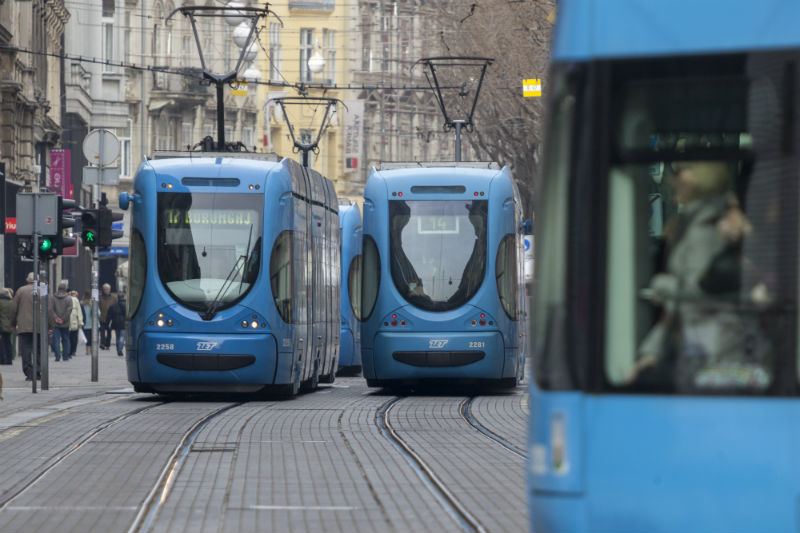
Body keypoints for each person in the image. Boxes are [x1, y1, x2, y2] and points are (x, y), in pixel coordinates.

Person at [630, 158, 771, 388]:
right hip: (697, 344)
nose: (671, 179)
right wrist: (651, 351)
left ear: (702, 176)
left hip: (713, 350)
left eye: (680, 171)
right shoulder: (689, 222)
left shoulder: (708, 227)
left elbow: (702, 293)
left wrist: (665, 286)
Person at [11, 273, 41, 380]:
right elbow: (49, 309)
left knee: (26, 350)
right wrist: (50, 325)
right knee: (39, 349)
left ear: (27, 280)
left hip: (24, 326)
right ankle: (38, 371)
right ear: (38, 280)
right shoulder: (42, 290)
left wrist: (13, 324)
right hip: (39, 327)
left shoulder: (20, 291)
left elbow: (14, 309)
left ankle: (29, 372)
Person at [49, 280, 73, 362]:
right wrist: (63, 319)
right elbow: (69, 310)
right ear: (65, 289)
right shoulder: (69, 299)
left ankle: (57, 356)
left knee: (56, 340)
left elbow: (51, 309)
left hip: (55, 323)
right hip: (65, 323)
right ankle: (65, 356)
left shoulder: (52, 298)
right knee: (66, 339)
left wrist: (56, 318)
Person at [99, 283, 117, 350]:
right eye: (105, 289)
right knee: (102, 332)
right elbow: (98, 307)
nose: (106, 290)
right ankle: (102, 343)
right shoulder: (100, 298)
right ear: (103, 290)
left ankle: (108, 344)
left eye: (107, 289)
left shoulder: (113, 298)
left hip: (110, 318)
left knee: (109, 332)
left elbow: (116, 306)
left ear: (110, 290)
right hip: (102, 317)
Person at [67, 290, 83, 359]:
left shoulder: (67, 298)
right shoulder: (75, 300)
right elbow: (79, 311)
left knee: (68, 337)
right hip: (73, 321)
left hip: (67, 321)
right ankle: (72, 351)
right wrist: (80, 322)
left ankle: (69, 351)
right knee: (73, 337)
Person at [0, 288, 13, 365]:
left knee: (2, 344)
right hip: (9, 326)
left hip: (1, 325)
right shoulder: (11, 302)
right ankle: (9, 359)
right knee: (8, 342)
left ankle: (3, 359)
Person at [81, 290, 93, 355]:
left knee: (86, 338)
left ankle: (87, 350)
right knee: (91, 338)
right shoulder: (93, 304)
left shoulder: (82, 304)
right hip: (92, 324)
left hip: (84, 323)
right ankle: (91, 350)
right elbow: (98, 313)